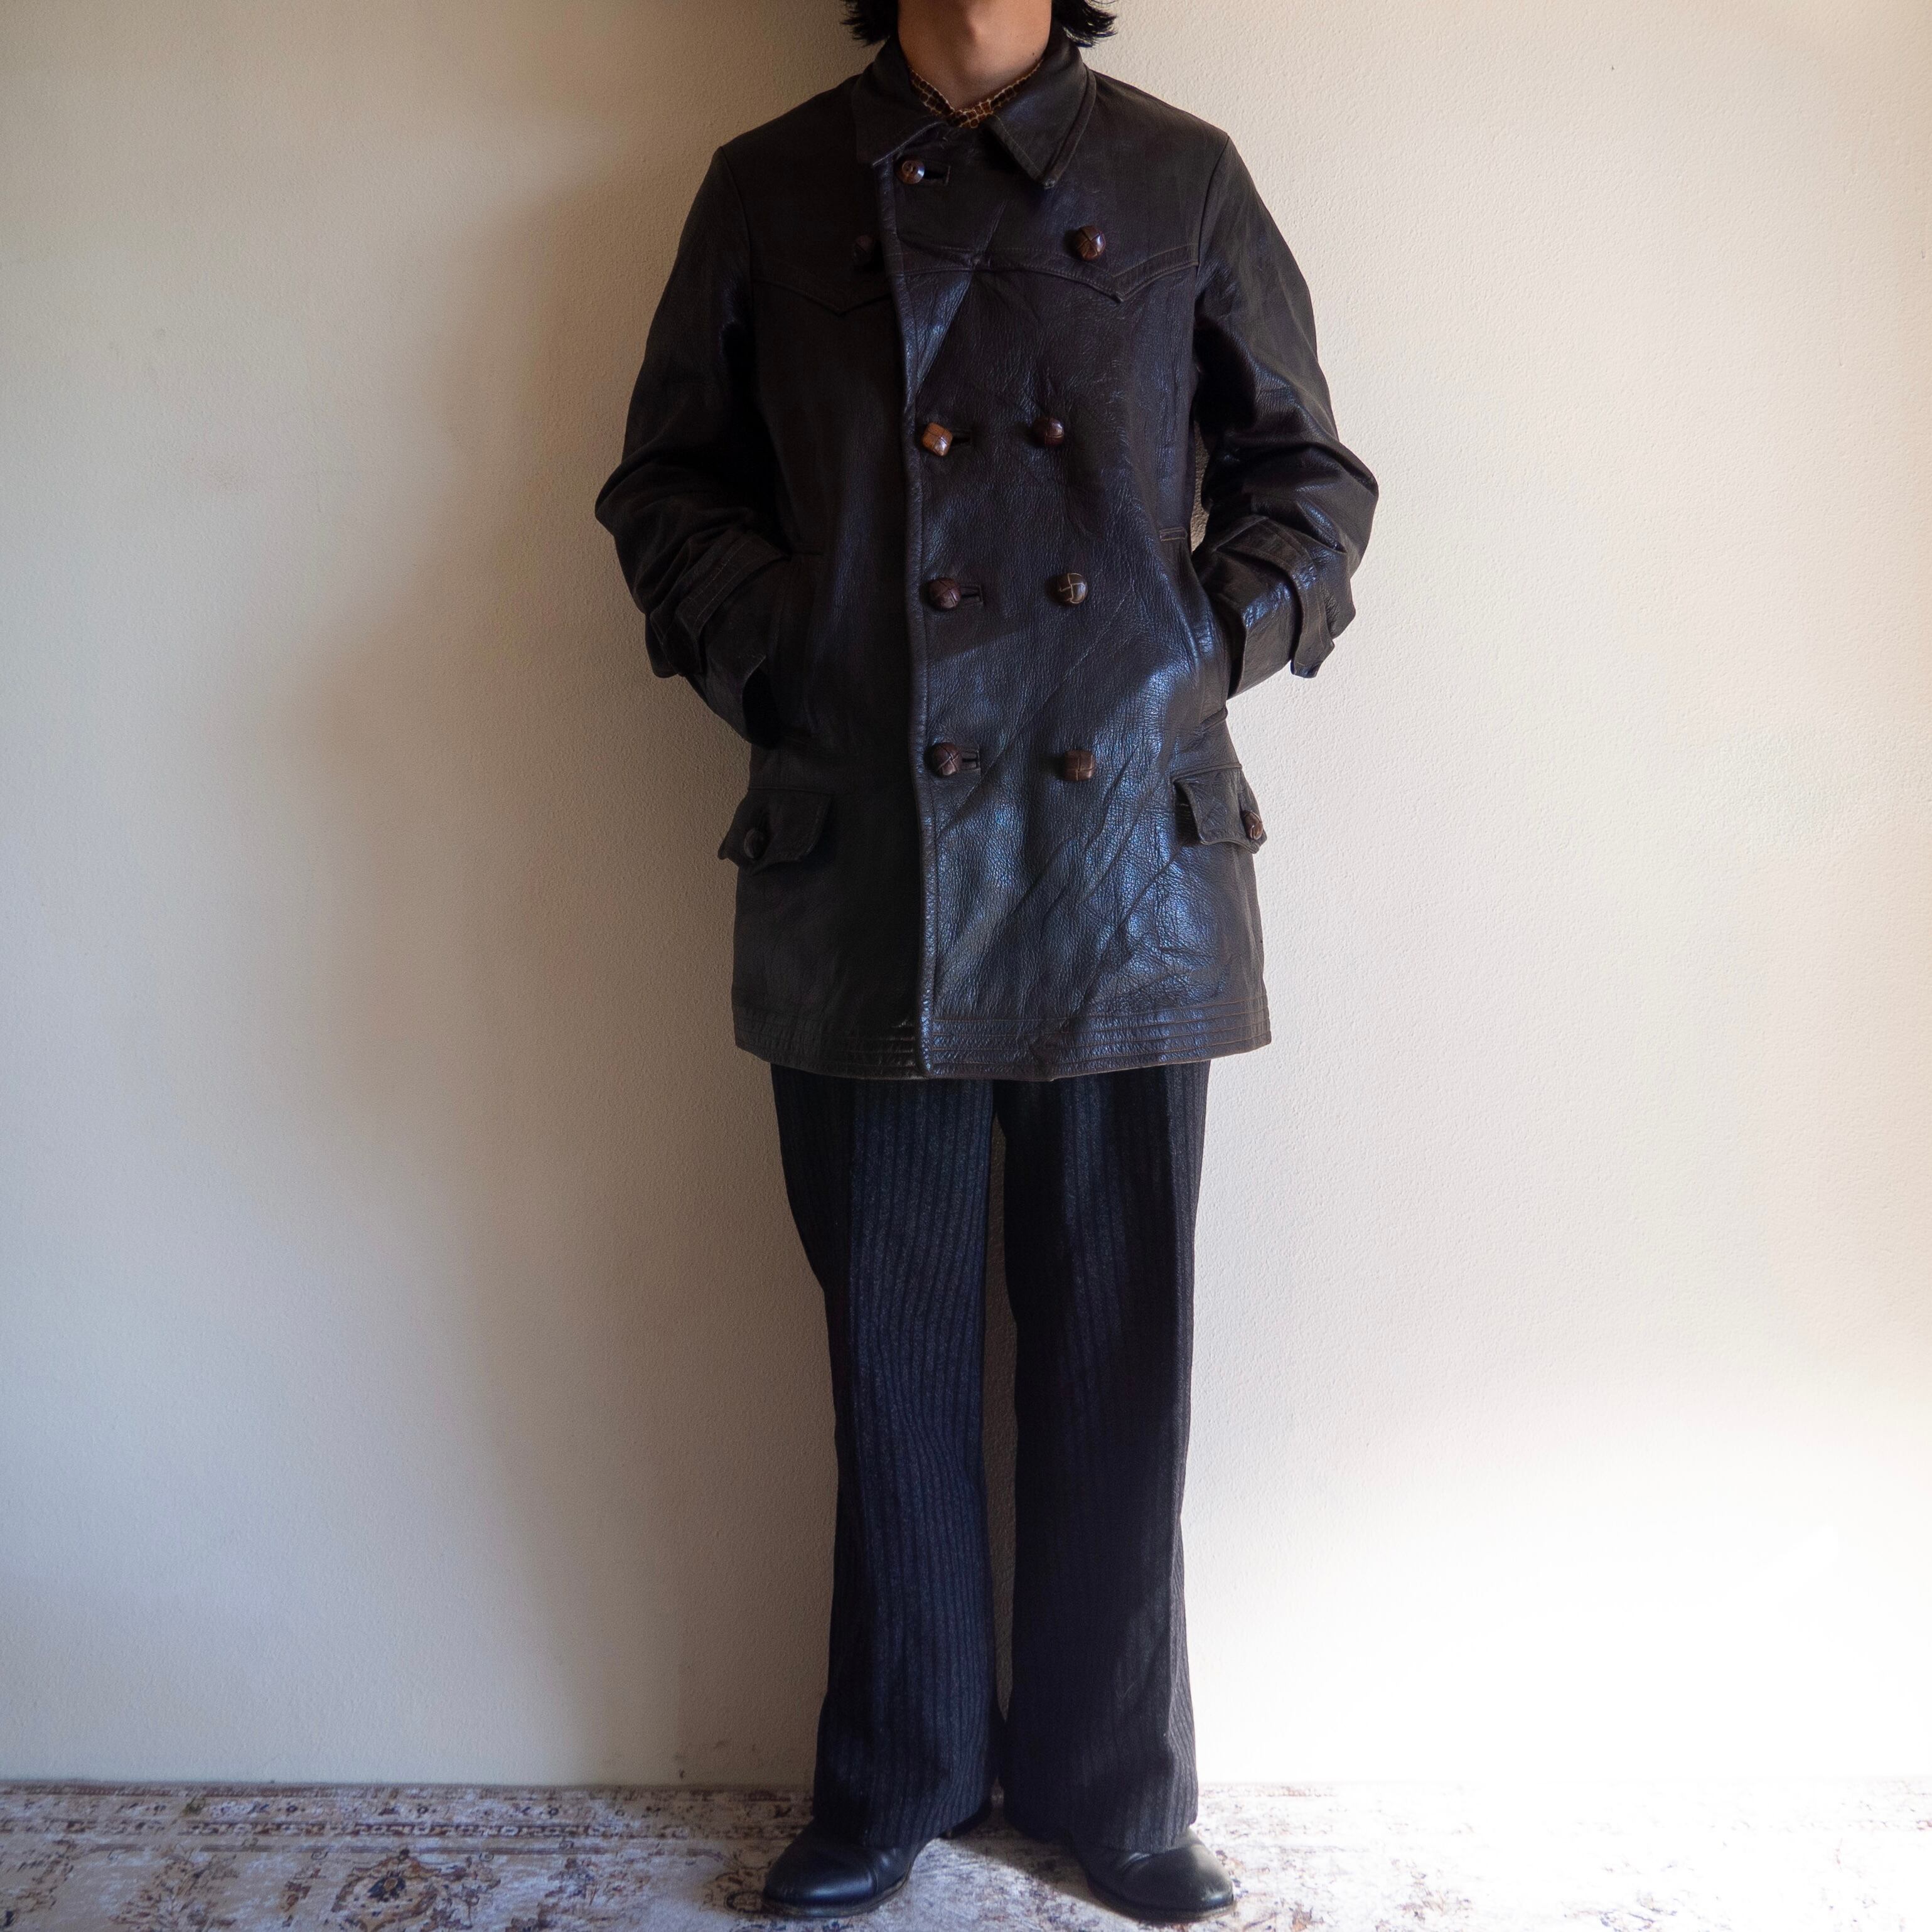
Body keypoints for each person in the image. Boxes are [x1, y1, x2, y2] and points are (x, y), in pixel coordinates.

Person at [595, 0, 1376, 1917]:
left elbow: (1312, 486)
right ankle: (900, 1771)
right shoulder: (771, 186)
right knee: (894, 1359)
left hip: (1128, 863)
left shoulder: (1181, 177)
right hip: (873, 859)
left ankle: (1117, 1792)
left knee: (1120, 1358)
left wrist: (1188, 655)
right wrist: (799, 654)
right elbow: (666, 489)